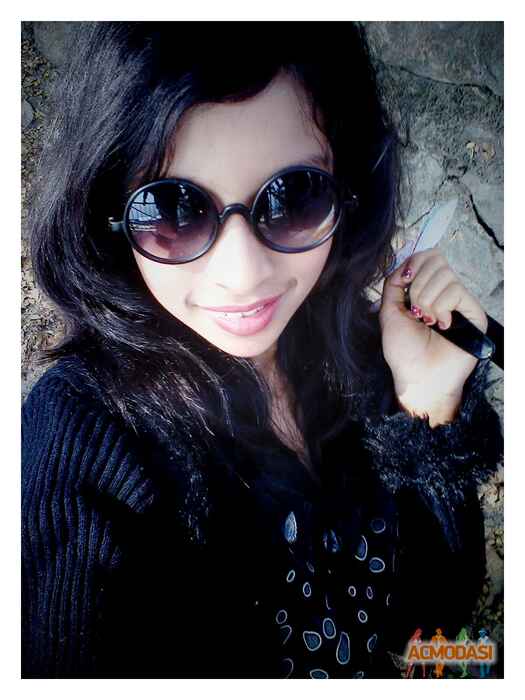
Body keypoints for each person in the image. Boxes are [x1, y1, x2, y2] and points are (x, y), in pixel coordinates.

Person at [21, 21, 503, 679]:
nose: (243, 274)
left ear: (348, 185)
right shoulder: (82, 441)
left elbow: (435, 621)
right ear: (107, 214)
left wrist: (427, 404)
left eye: (293, 197)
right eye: (172, 211)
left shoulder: (357, 347)